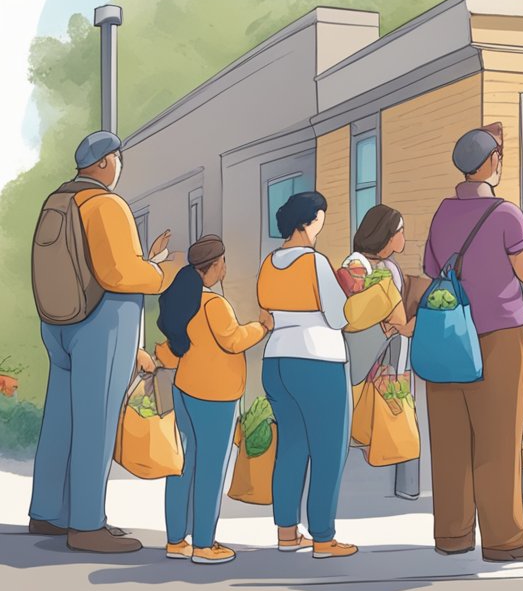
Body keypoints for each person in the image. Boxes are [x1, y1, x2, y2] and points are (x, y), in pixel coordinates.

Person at [28, 131, 182, 553]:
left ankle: (46, 512)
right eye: (117, 158)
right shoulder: (106, 205)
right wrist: (162, 274)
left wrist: (144, 261)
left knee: (61, 418)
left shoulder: (58, 201)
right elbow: (119, 274)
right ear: (105, 163)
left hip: (58, 321)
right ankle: (86, 525)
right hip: (103, 321)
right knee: (96, 421)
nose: (119, 166)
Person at [422, 126, 523, 563]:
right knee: (497, 439)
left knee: (450, 438)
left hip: (444, 335)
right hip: (496, 335)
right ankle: (503, 540)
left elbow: (431, 269)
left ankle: (452, 535)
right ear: (492, 161)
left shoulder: (441, 212)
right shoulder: (505, 213)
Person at [258, 191, 400, 559]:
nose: (322, 223)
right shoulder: (315, 263)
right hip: (318, 361)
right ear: (309, 222)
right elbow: (340, 318)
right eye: (321, 217)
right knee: (327, 451)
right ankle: (322, 536)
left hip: (276, 360)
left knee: (290, 447)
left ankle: (287, 533)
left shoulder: (269, 263)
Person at [158, 235, 271, 564]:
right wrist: (261, 327)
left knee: (184, 464)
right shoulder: (214, 305)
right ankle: (205, 544)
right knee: (210, 468)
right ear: (216, 265)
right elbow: (233, 340)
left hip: (185, 390)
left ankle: (176, 540)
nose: (225, 267)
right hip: (215, 396)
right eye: (223, 262)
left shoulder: (185, 301)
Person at [349, 204, 421, 500]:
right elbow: (358, 315)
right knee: (390, 417)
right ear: (386, 235)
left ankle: (405, 486)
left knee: (399, 414)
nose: (403, 237)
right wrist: (399, 327)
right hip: (371, 360)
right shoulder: (356, 265)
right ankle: (389, 488)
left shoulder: (388, 266)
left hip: (390, 357)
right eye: (400, 231)